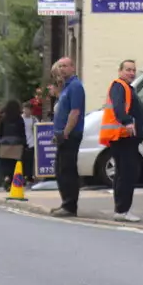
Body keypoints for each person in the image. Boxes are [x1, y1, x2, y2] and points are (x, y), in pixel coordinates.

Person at [103, 59, 143, 221]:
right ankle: (122, 210)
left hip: (125, 137)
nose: (131, 73)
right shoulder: (119, 86)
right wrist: (127, 121)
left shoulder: (126, 87)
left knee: (124, 173)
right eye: (128, 69)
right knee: (127, 173)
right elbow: (119, 107)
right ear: (120, 71)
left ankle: (121, 209)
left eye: (133, 70)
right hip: (122, 136)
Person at [51, 58, 85, 215]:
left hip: (70, 135)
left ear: (73, 67)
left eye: (65, 66)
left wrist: (65, 132)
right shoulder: (66, 87)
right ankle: (65, 202)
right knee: (60, 170)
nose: (62, 69)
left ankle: (70, 206)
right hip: (61, 134)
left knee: (67, 170)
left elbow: (75, 112)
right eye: (60, 66)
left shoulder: (76, 86)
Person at [0, 98, 27, 191]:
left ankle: (6, 177)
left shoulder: (3, 118)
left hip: (4, 145)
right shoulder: (19, 119)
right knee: (15, 164)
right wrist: (24, 144)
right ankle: (13, 181)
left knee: (5, 164)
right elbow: (22, 132)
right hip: (17, 145)